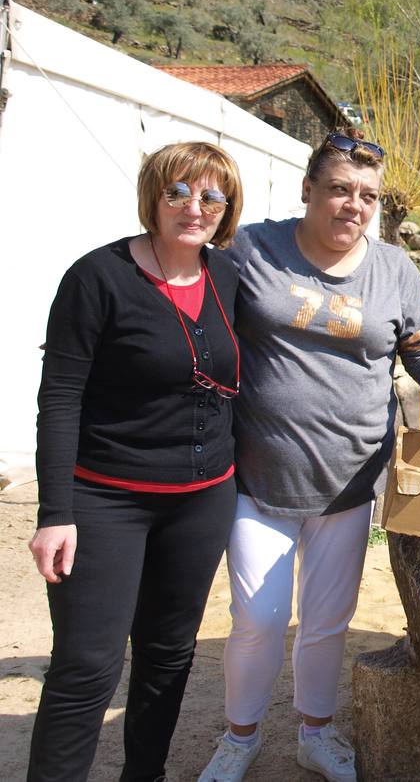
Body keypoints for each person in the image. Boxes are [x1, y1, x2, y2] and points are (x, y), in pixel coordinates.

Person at [199, 131, 420, 782]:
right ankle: (240, 738)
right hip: (259, 477)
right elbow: (195, 319)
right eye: (339, 189)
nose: (353, 204)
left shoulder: (395, 270)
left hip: (348, 481)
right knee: (257, 619)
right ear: (308, 190)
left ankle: (316, 733)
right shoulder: (254, 248)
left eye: (367, 195)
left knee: (324, 621)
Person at [28, 142, 244, 782]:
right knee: (86, 665)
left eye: (210, 196)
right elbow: (60, 399)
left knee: (168, 654)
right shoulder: (98, 277)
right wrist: (55, 513)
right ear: (153, 194)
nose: (193, 207)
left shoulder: (226, 276)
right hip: (105, 498)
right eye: (178, 191)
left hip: (203, 500)